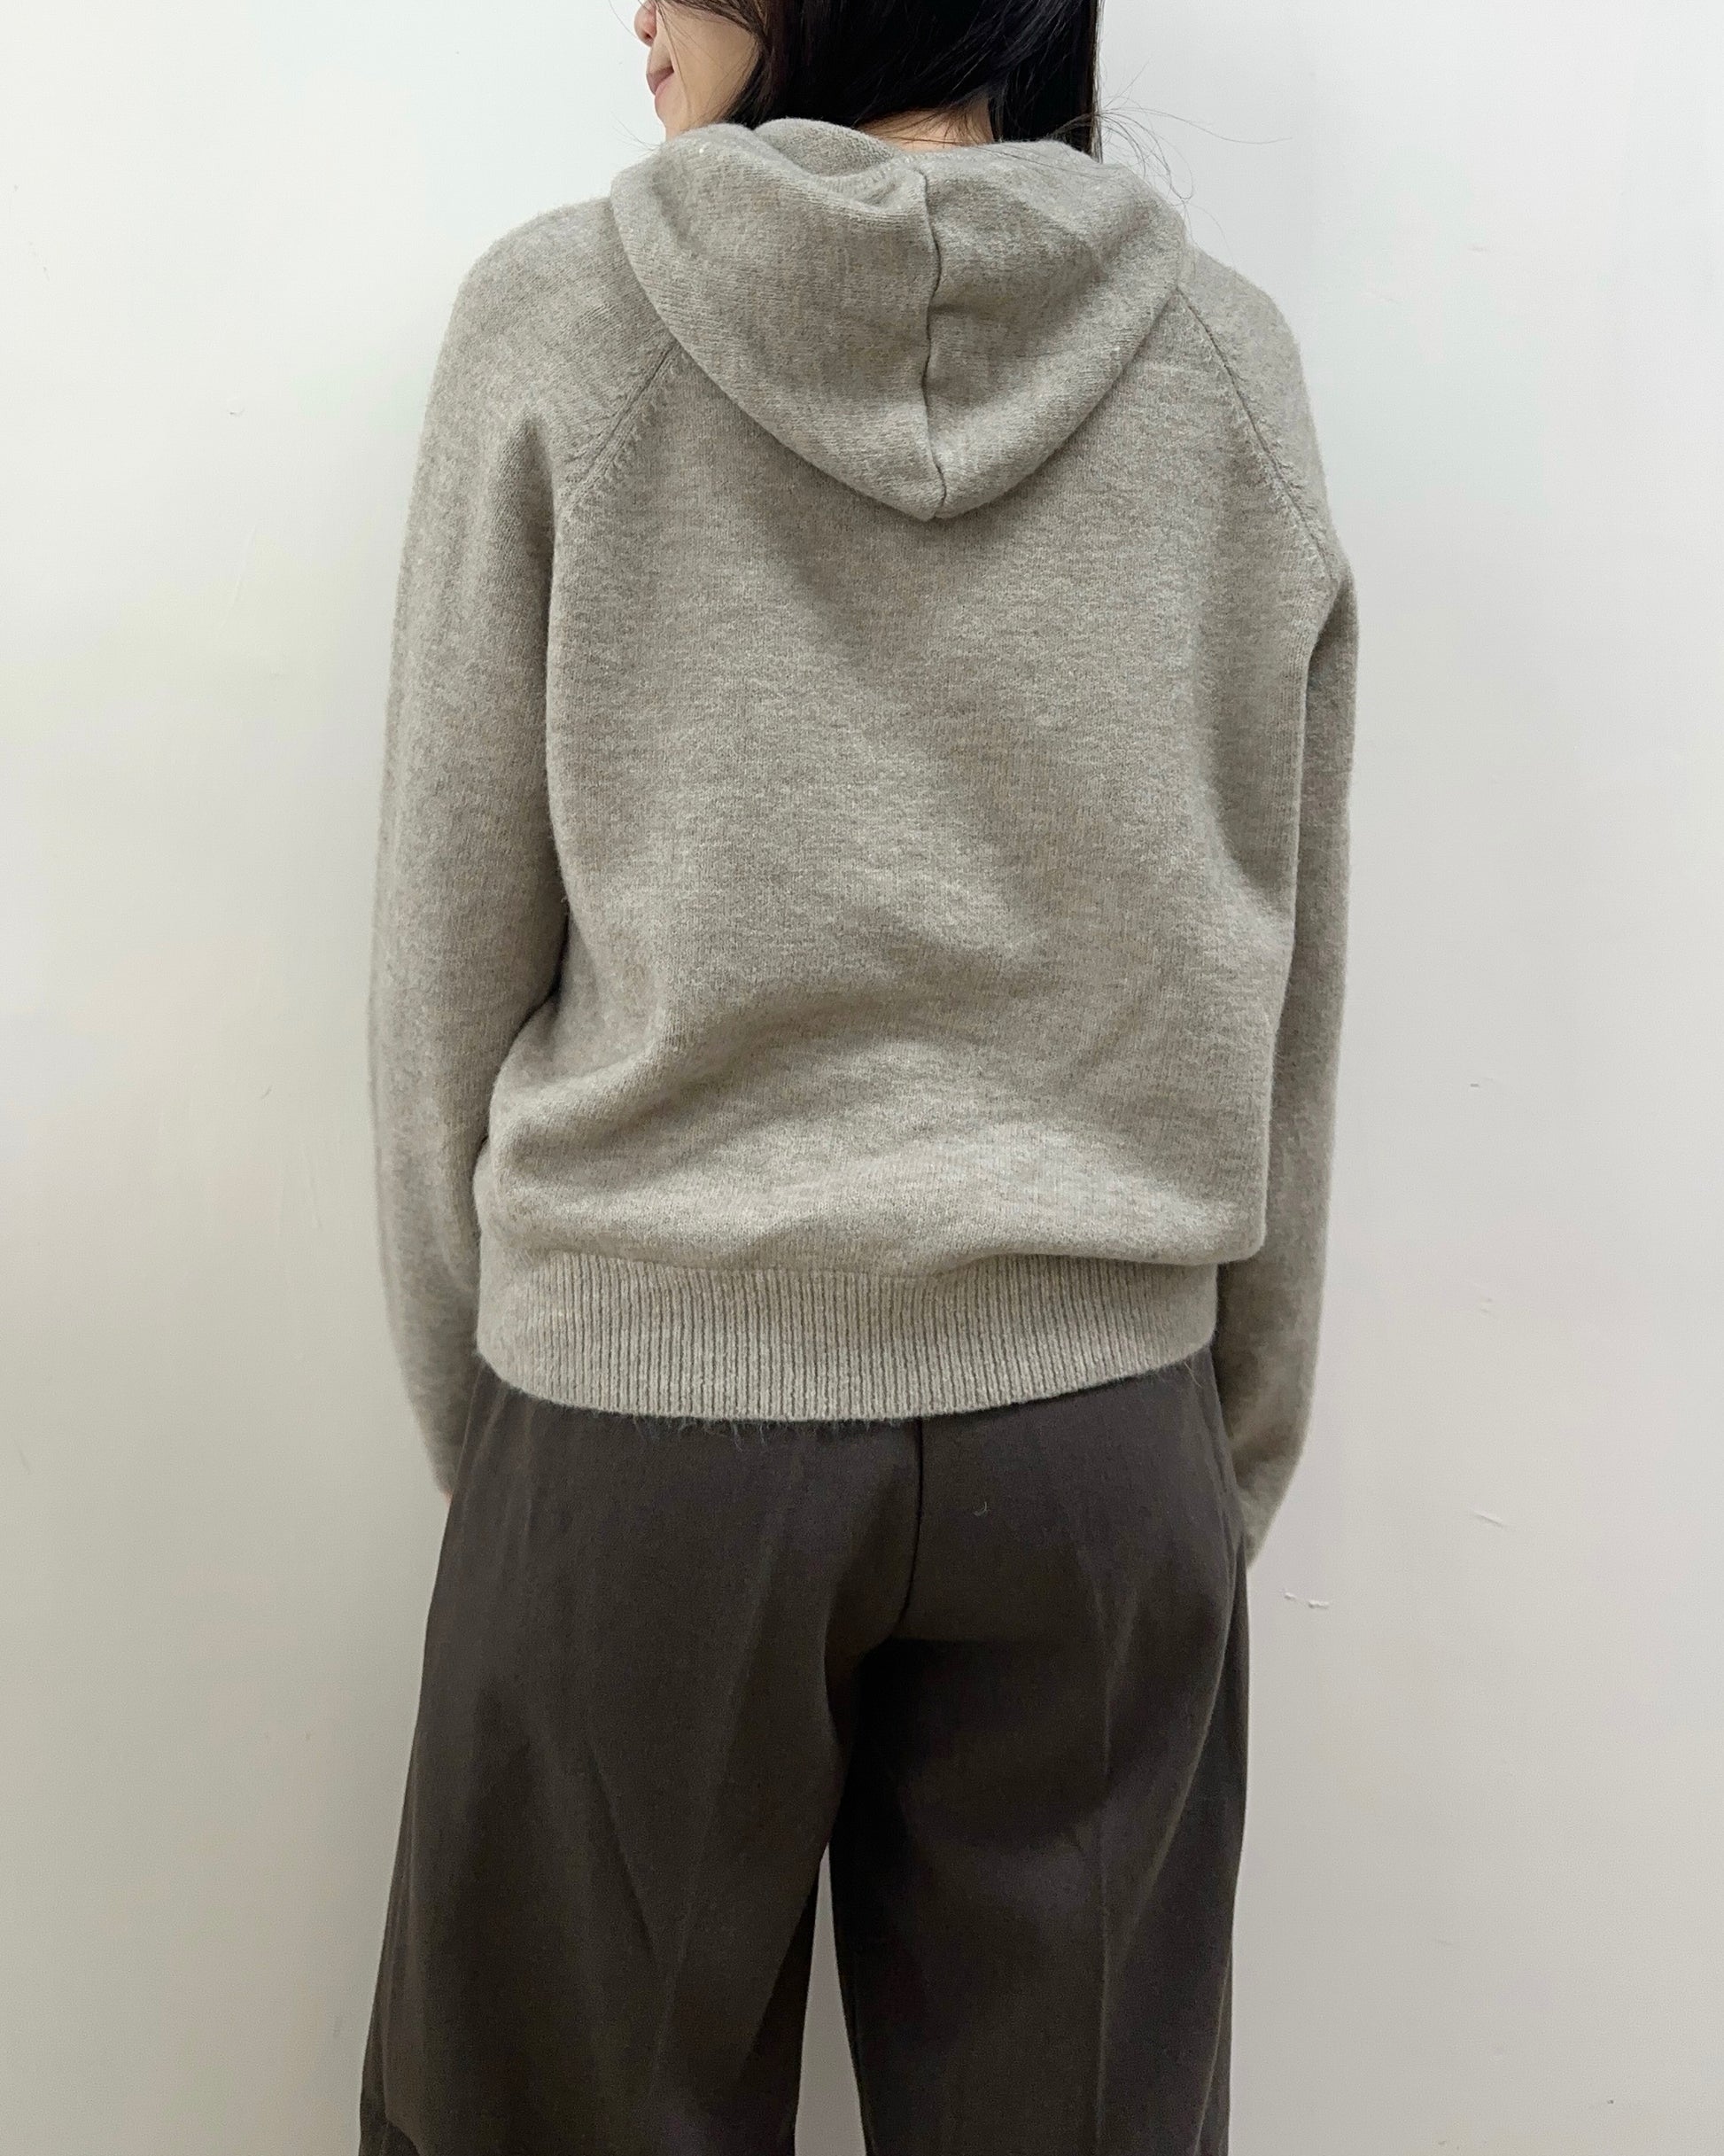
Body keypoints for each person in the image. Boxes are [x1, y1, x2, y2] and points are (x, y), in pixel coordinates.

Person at [358, 0, 1358, 2149]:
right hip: (1096, 1449)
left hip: (643, 1423)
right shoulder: (1226, 367)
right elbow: (1285, 975)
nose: (634, 7)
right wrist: (1197, 1457)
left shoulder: (563, 321)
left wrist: (522, 1437)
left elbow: (447, 951)